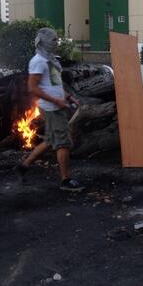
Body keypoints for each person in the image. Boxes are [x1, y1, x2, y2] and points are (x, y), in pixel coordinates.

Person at [15, 27, 84, 192]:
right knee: (63, 143)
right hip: (52, 108)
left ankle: (24, 166)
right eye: (53, 40)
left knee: (50, 140)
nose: (56, 43)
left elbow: (55, 84)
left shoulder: (49, 60)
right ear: (44, 42)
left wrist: (67, 96)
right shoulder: (38, 61)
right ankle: (65, 181)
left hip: (57, 104)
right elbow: (32, 87)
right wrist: (56, 101)